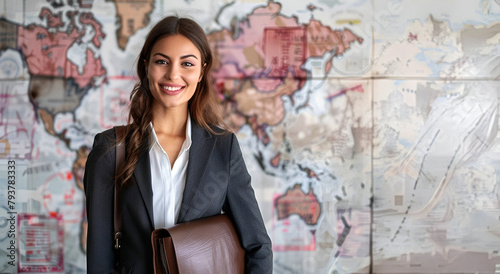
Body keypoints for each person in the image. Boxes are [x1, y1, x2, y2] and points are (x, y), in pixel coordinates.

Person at [83, 15, 273, 273]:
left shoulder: (222, 148)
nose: (173, 74)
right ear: (146, 66)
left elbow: (257, 245)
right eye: (162, 61)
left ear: (201, 71)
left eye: (187, 64)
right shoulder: (110, 149)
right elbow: (99, 258)